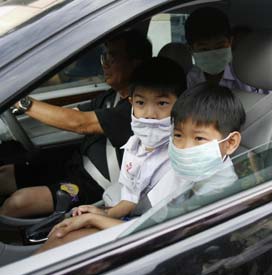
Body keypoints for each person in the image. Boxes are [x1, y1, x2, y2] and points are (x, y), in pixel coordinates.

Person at [36, 83, 246, 253]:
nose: (184, 147)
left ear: (230, 143)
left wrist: (95, 218)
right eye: (178, 136)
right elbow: (150, 211)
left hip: (167, 251)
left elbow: (156, 235)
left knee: (63, 240)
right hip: (147, 230)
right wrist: (104, 213)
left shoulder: (218, 190)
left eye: (199, 138)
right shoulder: (190, 169)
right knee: (61, 235)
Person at [0, 30, 152, 217]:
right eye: (104, 56)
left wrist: (21, 102)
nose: (105, 64)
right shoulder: (110, 97)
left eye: (112, 57)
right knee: (4, 175)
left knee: (18, 202)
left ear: (135, 64)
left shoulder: (138, 109)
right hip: (75, 166)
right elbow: (70, 115)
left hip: (92, 187)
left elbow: (80, 123)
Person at [73, 57, 186, 219]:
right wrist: (103, 214)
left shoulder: (183, 152)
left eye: (162, 103)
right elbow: (130, 199)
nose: (149, 115)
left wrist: (100, 217)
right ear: (131, 103)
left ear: (181, 104)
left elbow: (157, 218)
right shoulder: (134, 146)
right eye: (140, 103)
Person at [184, 7, 260, 93]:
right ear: (190, 49)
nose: (213, 54)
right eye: (204, 49)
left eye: (219, 47)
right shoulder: (193, 77)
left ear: (231, 42)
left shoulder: (246, 76)